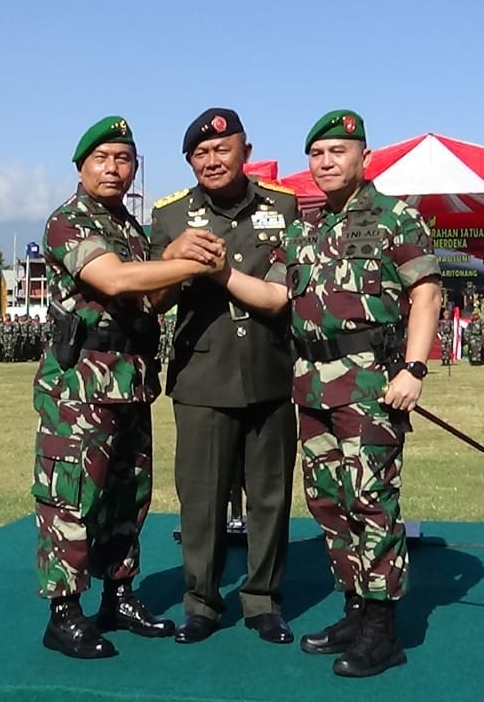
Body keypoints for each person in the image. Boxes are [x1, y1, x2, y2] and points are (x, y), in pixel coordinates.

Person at [197, 110, 441, 677]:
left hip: (370, 385)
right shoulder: (304, 229)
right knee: (328, 502)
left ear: (364, 157)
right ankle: (355, 610)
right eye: (317, 154)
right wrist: (218, 273)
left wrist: (414, 369)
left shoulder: (396, 219)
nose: (326, 162)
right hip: (311, 386)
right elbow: (275, 296)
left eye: (338, 151)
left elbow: (427, 295)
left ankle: (383, 628)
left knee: (371, 500)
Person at [32, 115, 224, 659]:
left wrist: (180, 261)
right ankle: (64, 613)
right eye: (102, 159)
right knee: (71, 496)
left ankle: (119, 596)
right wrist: (179, 261)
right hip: (81, 384)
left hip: (130, 380)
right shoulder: (68, 221)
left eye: (123, 160)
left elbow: (152, 299)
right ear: (81, 167)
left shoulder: (131, 230)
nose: (113, 169)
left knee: (127, 495)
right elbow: (114, 279)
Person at [148, 108, 298, 646]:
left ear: (245, 152)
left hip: (269, 372)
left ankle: (263, 601)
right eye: (200, 154)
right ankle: (201, 603)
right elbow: (152, 299)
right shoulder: (170, 215)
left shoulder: (283, 206)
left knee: (270, 497)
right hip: (203, 375)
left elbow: (284, 292)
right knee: (202, 500)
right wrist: (173, 257)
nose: (211, 160)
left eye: (221, 149)